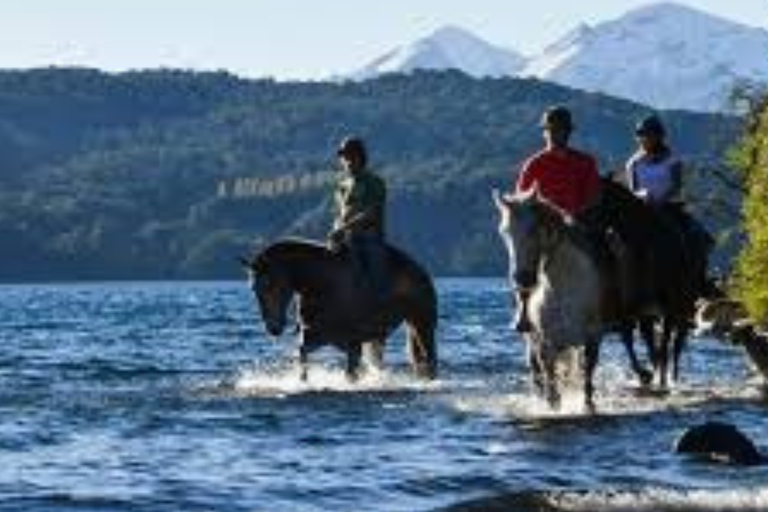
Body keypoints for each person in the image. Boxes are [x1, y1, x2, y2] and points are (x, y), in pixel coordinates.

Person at [511, 106, 601, 332]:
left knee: (605, 252)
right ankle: (523, 309)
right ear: (545, 133)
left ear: (568, 133)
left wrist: (575, 214)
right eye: (551, 130)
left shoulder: (585, 162)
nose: (555, 134)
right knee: (524, 258)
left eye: (559, 130)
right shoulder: (533, 164)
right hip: (543, 228)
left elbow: (593, 197)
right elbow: (521, 200)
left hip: (577, 222)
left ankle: (606, 304)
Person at [625, 114, 714, 296]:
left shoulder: (672, 160)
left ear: (659, 136)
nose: (646, 138)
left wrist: (660, 199)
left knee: (696, 235)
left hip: (668, 207)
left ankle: (698, 279)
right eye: (642, 135)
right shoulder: (633, 163)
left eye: (650, 134)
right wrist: (643, 196)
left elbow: (676, 186)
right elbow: (632, 190)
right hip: (642, 209)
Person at [328, 136, 389, 298]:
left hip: (369, 238)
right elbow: (340, 215)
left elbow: (371, 213)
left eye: (349, 156)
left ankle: (379, 303)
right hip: (344, 237)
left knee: (375, 269)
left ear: (360, 157)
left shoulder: (374, 182)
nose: (345, 160)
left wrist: (343, 229)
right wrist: (335, 230)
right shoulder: (341, 186)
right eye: (343, 157)